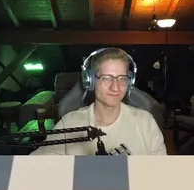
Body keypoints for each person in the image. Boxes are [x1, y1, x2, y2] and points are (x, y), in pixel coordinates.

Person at [32, 48, 167, 156]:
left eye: (122, 78)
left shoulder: (146, 122)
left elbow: (161, 171)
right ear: (89, 81)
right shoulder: (68, 123)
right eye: (106, 78)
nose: (115, 87)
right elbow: (39, 166)